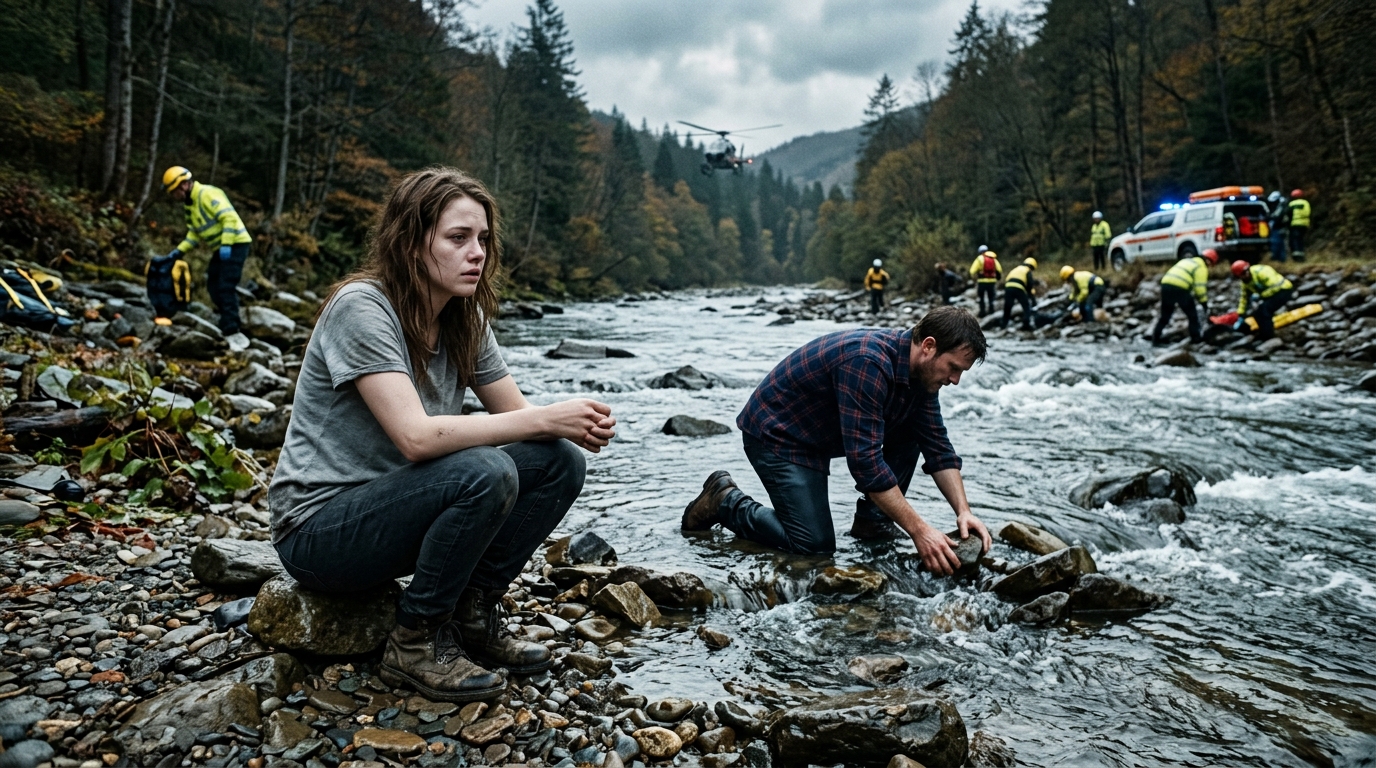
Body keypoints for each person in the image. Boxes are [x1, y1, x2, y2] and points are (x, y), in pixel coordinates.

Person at [268, 167, 617, 702]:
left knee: (558, 460)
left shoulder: (464, 318)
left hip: (398, 509)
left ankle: (473, 613)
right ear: (411, 243)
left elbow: (526, 432)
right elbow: (416, 439)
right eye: (458, 238)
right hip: (318, 532)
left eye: (482, 239)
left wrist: (566, 425)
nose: (476, 252)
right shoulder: (362, 308)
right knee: (487, 468)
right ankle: (414, 641)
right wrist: (548, 416)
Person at [680, 306, 993, 574]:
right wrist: (921, 531)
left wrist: (963, 511)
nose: (955, 380)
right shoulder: (867, 362)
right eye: (953, 368)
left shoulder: (922, 379)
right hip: (779, 434)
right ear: (928, 346)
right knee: (813, 545)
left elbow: (937, 446)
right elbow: (867, 466)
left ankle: (873, 524)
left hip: (820, 434)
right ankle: (724, 500)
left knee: (915, 432)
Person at [161, 166, 254, 351]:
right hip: (221, 248)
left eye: (174, 192)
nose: (173, 196)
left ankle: (232, 331)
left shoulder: (207, 194)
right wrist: (178, 252)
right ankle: (229, 317)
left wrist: (226, 244)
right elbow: (194, 234)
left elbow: (229, 218)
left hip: (235, 244)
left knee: (225, 286)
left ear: (184, 185)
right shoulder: (190, 205)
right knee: (213, 284)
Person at [1151, 247, 1218, 345]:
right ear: (1208, 260)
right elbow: (1200, 288)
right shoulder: (1201, 267)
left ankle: (1156, 338)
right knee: (1192, 315)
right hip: (1180, 288)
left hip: (1166, 285)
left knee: (1165, 315)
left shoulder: (1187, 261)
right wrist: (1204, 303)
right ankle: (1196, 338)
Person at [1231, 260, 1294, 340]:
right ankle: (1263, 331)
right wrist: (1241, 313)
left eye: (1246, 272)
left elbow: (1276, 286)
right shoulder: (1245, 283)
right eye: (1242, 274)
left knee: (1264, 309)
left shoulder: (1262, 272)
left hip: (1283, 290)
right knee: (1256, 312)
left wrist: (1261, 296)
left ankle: (1268, 336)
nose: (1245, 275)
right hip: (1267, 294)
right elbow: (1244, 298)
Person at [1001, 257, 1038, 331]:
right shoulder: (1027, 270)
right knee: (1026, 306)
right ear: (1031, 266)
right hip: (1019, 287)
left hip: (1008, 287)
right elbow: (1029, 284)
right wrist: (1032, 298)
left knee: (1007, 307)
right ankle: (1026, 323)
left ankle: (1003, 325)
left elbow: (1007, 279)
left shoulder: (1016, 268)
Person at [968, 245, 1001, 317]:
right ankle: (991, 311)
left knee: (981, 297)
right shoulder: (993, 259)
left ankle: (982, 312)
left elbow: (972, 271)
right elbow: (999, 270)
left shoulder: (979, 258)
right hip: (992, 281)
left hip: (982, 281)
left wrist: (974, 277)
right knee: (991, 297)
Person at [1287, 189, 1310, 262]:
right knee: (1301, 239)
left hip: (1294, 224)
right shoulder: (1306, 203)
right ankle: (1302, 255)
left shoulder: (1291, 204)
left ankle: (1297, 257)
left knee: (1295, 240)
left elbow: (1288, 214)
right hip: (1304, 224)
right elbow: (1308, 213)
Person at [1267, 190, 1289, 263]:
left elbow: (1277, 216)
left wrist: (1269, 217)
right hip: (1279, 227)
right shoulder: (1282, 205)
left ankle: (1278, 258)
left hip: (1279, 227)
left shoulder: (1282, 206)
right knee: (1280, 243)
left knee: (1277, 243)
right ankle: (1281, 259)